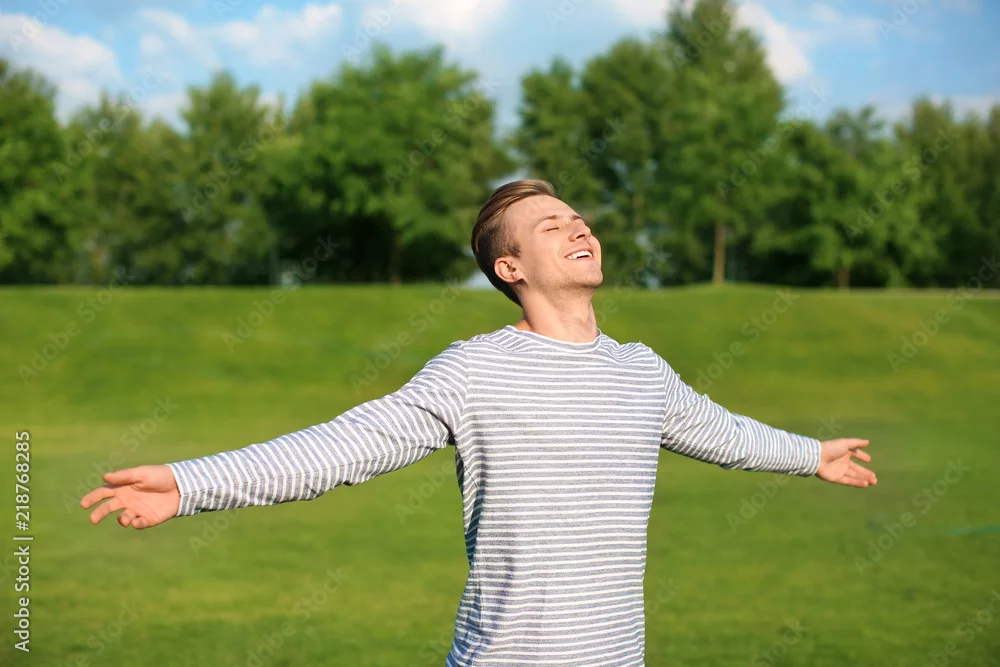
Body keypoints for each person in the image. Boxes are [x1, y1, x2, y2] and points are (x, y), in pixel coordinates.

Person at [81, 179, 877, 666]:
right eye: (551, 226)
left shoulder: (643, 372)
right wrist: (192, 482)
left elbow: (728, 434)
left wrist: (813, 453)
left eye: (579, 219)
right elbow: (344, 446)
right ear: (510, 267)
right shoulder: (474, 370)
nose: (578, 229)